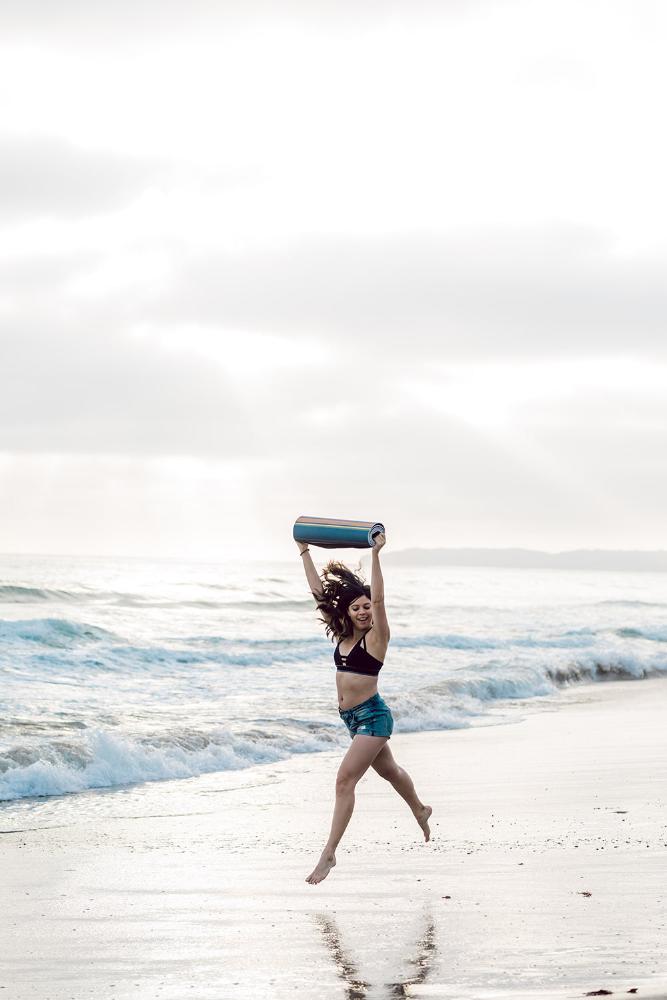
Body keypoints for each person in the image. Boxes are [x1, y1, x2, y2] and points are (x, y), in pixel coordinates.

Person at [297, 532, 432, 885]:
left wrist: (376, 554)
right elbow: (318, 594)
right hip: (352, 720)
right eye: (356, 607)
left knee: (344, 781)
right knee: (390, 771)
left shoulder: (377, 637)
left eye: (366, 606)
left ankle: (329, 853)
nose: (362, 611)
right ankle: (420, 809)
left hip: (374, 717)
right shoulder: (343, 632)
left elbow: (382, 598)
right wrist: (304, 552)